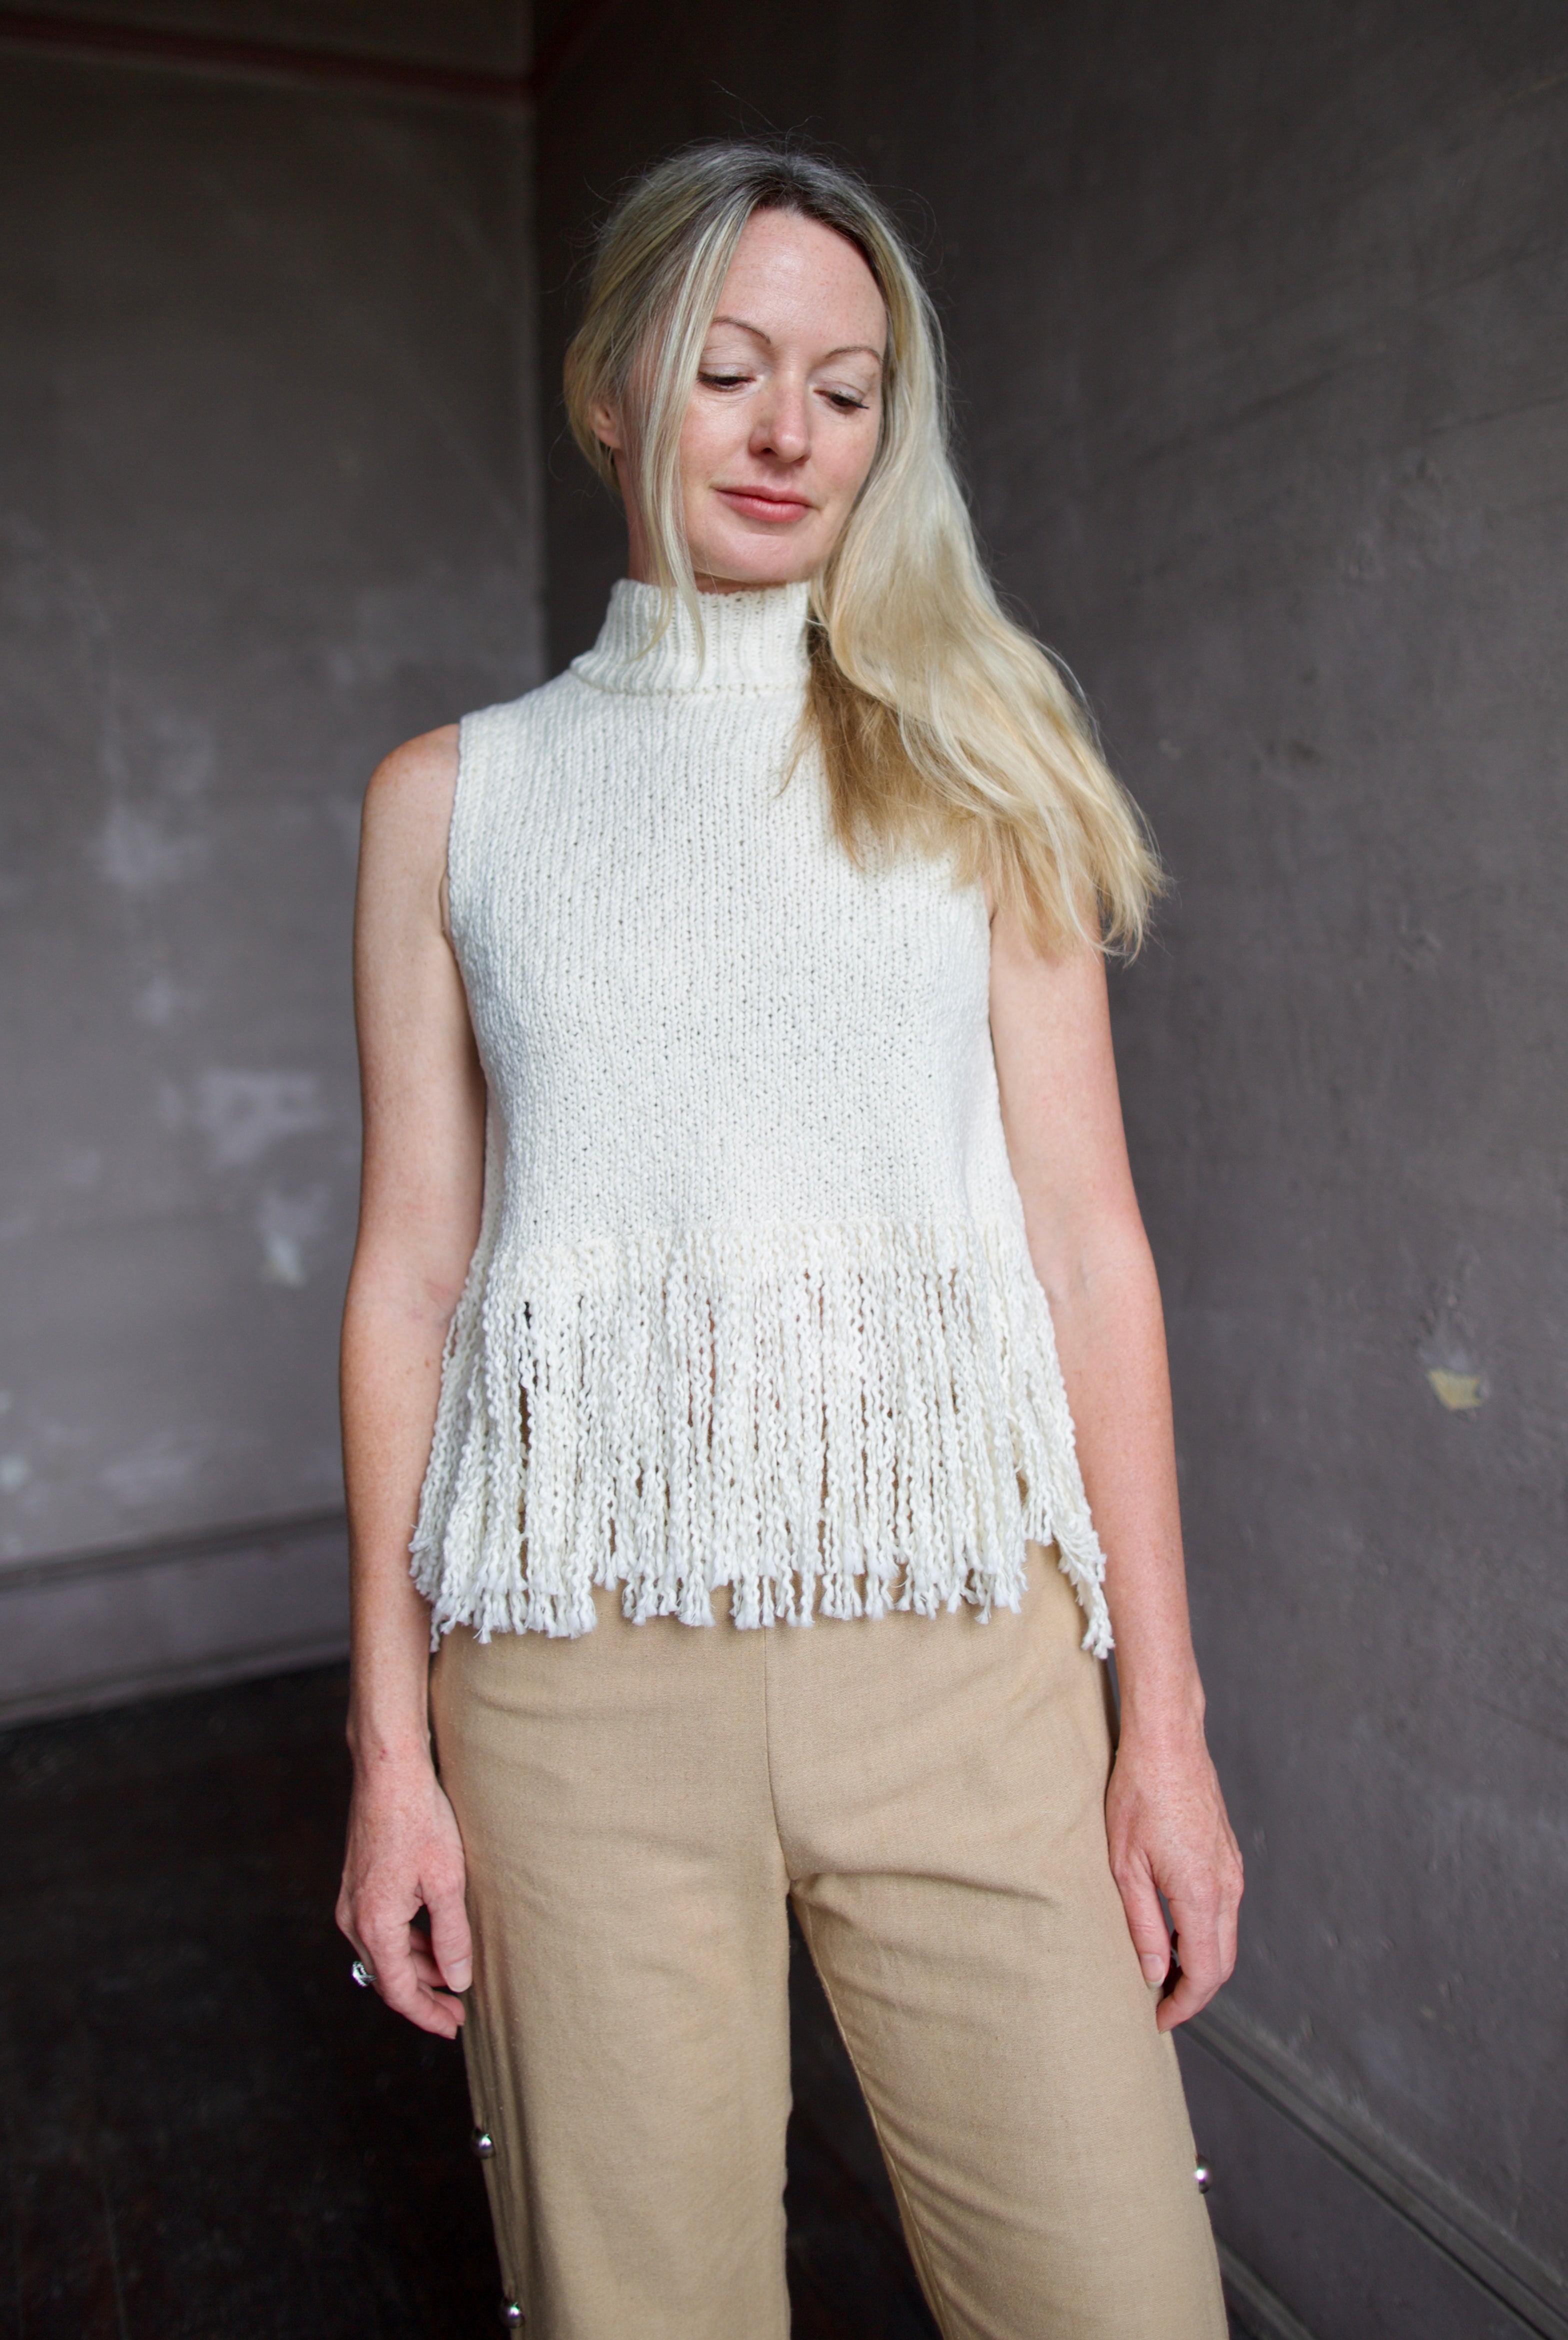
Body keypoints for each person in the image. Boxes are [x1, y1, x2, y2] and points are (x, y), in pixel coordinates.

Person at [336, 140, 1242, 2340]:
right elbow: (412, 1282)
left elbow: (1089, 1248)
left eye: (844, 391)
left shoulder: (977, 764)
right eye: (729, 368)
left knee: (1116, 2301)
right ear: (613, 395)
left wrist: (1166, 1729)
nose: (786, 433)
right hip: (571, 1684)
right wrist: (389, 1753)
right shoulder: (453, 801)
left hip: (962, 1653)